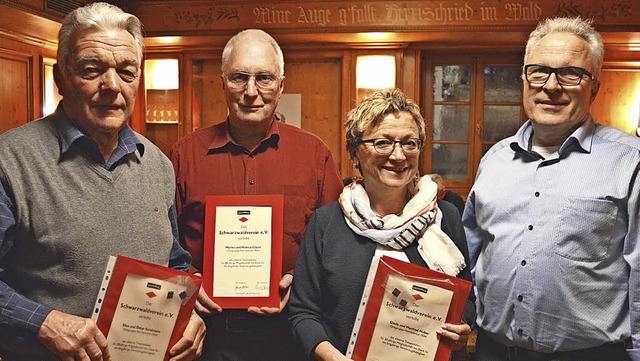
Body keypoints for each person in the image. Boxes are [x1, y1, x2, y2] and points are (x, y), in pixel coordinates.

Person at [0, 3, 205, 360]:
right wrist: (42, 322)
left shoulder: (158, 164)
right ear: (61, 78)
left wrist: (191, 314)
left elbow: (174, 263)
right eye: (92, 69)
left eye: (127, 71)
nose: (112, 85)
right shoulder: (10, 160)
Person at [463, 17, 640, 361]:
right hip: (491, 351)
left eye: (571, 74)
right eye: (539, 71)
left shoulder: (630, 162)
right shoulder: (495, 159)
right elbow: (470, 256)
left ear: (595, 88)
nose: (551, 86)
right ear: (525, 79)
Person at [168, 29, 343, 360]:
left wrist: (300, 279)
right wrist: (188, 280)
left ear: (280, 85)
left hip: (290, 333)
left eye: (264, 78)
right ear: (223, 82)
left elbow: (333, 243)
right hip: (205, 333)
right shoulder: (184, 155)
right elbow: (163, 242)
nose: (251, 91)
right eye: (239, 78)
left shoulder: (314, 154)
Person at [288, 88, 474, 360]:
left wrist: (461, 329)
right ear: (355, 152)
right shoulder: (326, 223)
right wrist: (330, 356)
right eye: (383, 143)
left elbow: (466, 299)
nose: (398, 156)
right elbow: (302, 311)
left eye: (409, 143)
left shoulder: (445, 218)